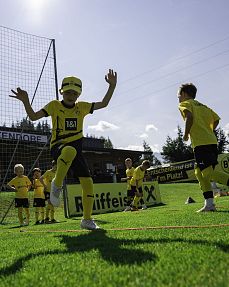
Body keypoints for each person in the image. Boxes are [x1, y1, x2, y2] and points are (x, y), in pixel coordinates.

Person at [10, 69, 117, 229]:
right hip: (58, 147)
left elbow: (104, 103)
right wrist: (26, 101)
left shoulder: (82, 107)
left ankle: (87, 220)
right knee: (69, 150)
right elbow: (33, 117)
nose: (71, 95)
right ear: (62, 91)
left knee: (88, 183)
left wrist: (112, 86)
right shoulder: (54, 105)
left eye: (75, 93)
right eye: (68, 92)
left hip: (76, 151)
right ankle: (57, 184)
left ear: (79, 95)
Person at [178, 83, 229, 212]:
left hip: (202, 144)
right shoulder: (204, 106)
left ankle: (210, 204)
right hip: (211, 141)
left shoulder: (185, 104)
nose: (178, 98)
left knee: (207, 172)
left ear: (184, 94)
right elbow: (216, 119)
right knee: (198, 172)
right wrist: (208, 130)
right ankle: (209, 204)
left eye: (179, 95)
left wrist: (185, 135)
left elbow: (189, 116)